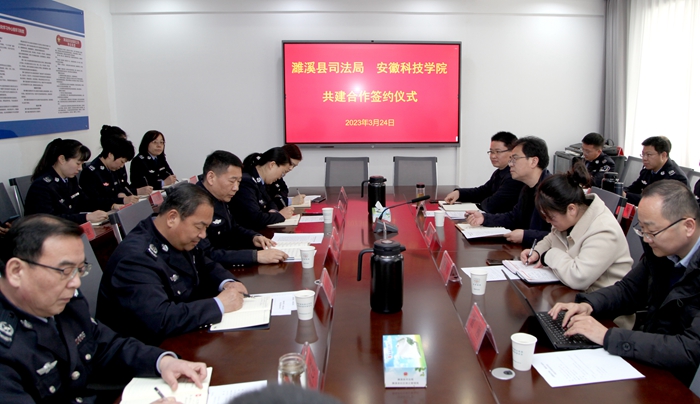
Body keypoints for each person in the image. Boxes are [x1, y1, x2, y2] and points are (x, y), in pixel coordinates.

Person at [0, 214, 207, 403]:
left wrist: (163, 362)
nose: (76, 283)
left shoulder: (62, 300)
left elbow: (106, 345)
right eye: (65, 271)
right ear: (16, 271)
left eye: (79, 270)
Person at [549, 180, 700, 386]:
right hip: (652, 362)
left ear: (688, 226)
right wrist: (588, 304)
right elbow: (629, 290)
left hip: (680, 380)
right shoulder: (663, 252)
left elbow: (689, 348)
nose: (646, 239)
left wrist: (608, 336)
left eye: (652, 231)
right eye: (642, 230)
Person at [97, 183, 248, 345]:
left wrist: (227, 282)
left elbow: (204, 263)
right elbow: (160, 319)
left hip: (181, 333)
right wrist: (218, 305)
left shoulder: (176, 237)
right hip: (147, 348)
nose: (203, 235)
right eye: (199, 227)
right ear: (172, 218)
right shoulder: (135, 258)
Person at [519, 160, 633, 293]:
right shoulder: (571, 215)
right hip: (572, 293)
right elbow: (552, 238)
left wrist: (548, 255)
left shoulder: (604, 230)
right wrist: (537, 252)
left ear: (571, 209)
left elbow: (579, 278)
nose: (548, 221)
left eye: (551, 217)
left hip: (602, 301)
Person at [197, 150, 287, 266]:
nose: (236, 188)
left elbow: (233, 227)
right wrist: (255, 256)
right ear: (211, 177)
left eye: (238, 182)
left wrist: (253, 237)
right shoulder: (195, 203)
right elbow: (206, 255)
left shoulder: (219, 196)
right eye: (232, 181)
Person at [465, 136, 552, 245]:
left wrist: (526, 236)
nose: (510, 164)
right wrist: (484, 218)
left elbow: (561, 237)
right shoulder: (527, 188)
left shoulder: (552, 192)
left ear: (533, 161)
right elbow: (513, 218)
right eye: (510, 159)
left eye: (515, 159)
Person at [24, 138, 108, 224]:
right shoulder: (41, 186)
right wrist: (86, 217)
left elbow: (85, 202)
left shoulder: (70, 179)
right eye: (78, 163)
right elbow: (49, 220)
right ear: (62, 159)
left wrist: (111, 204)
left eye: (82, 164)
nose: (80, 168)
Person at [444, 131, 522, 213]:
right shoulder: (499, 172)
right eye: (491, 152)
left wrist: (481, 203)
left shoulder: (514, 177)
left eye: (498, 152)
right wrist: (459, 193)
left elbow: (492, 205)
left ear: (512, 152)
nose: (493, 156)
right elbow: (483, 192)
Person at [229, 147, 294, 229]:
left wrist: (273, 211)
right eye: (282, 173)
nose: (280, 177)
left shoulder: (262, 181)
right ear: (272, 165)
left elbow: (271, 202)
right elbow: (255, 217)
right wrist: (280, 215)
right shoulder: (246, 182)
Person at [79, 136, 140, 211]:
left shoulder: (113, 168)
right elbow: (93, 201)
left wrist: (121, 194)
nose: (122, 166)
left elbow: (118, 188)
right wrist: (122, 200)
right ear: (110, 155)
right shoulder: (90, 173)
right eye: (122, 161)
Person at [624, 136, 688, 205]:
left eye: (649, 155)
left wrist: (626, 195)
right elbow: (633, 189)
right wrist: (620, 191)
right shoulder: (648, 170)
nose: (644, 158)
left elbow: (657, 203)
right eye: (643, 154)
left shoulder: (676, 178)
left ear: (663, 155)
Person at [100, 124, 153, 196]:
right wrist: (135, 192)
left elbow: (124, 186)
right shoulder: (100, 169)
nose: (122, 165)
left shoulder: (118, 162)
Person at [268, 144, 306, 210]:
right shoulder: (268, 176)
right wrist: (291, 201)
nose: (291, 168)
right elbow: (269, 202)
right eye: (290, 164)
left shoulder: (279, 176)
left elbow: (284, 190)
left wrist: (282, 199)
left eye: (294, 166)